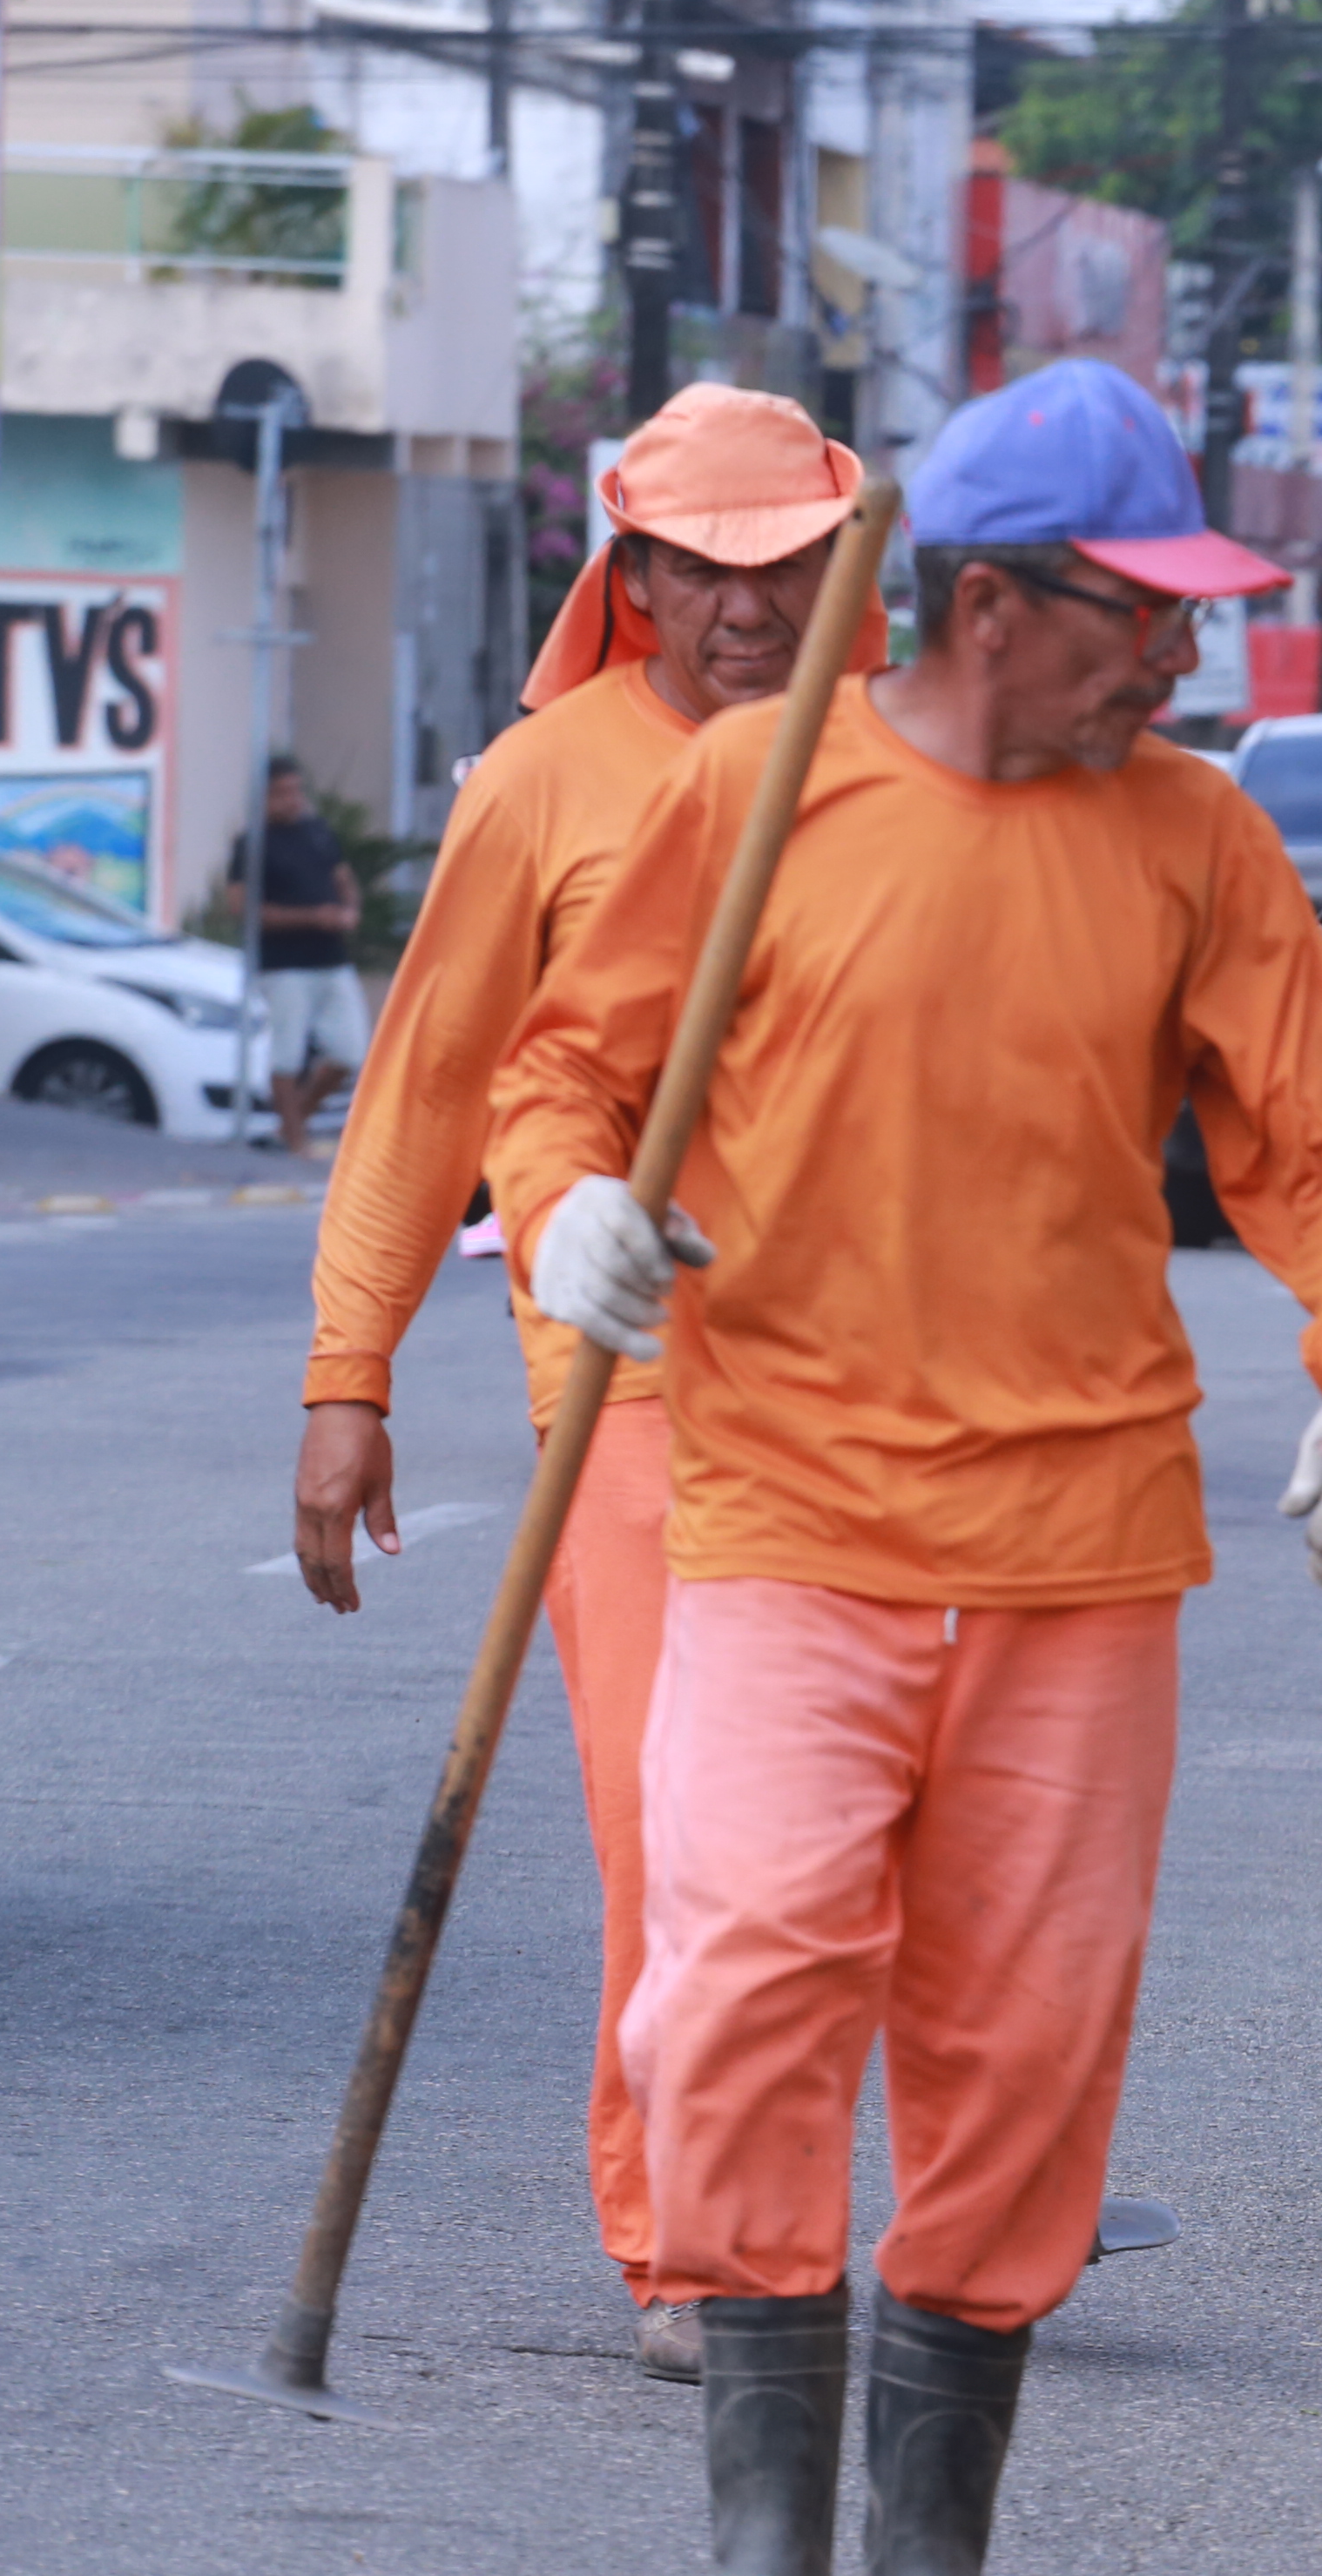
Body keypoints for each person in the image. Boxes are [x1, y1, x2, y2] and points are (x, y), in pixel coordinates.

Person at [496, 357, 1322, 2576]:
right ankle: (757, 2558)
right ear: (992, 605)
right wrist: (575, 1209)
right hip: (787, 1517)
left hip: (1081, 1546)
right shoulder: (753, 791)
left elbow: (1312, 1136)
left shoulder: (1196, 837)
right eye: (1145, 615)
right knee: (737, 1981)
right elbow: (567, 1070)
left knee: (1024, 2047)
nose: (1181, 662)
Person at [292, 385, 865, 2385]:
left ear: (841, 564)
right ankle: (696, 2243)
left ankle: (773, 2202)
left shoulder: (901, 771)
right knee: (675, 1825)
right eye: (697, 568)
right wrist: (342, 1375)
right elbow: (426, 1094)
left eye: (779, 564)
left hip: (879, 1394)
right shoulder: (546, 780)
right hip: (622, 1385)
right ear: (628, 577)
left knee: (839, 1851)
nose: (739, 604)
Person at [231, 758, 365, 1154]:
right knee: (286, 1053)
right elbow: (243, 908)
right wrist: (311, 917)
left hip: (331, 959)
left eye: (295, 791)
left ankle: (296, 1120)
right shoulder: (252, 844)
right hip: (284, 964)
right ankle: (295, 1140)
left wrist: (349, 910)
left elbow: (343, 879)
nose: (291, 800)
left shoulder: (318, 832)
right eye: (281, 793)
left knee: (349, 1051)